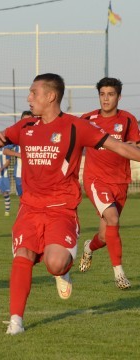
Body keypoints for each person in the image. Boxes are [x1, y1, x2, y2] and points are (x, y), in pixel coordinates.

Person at [0, 73, 140, 335]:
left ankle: (63, 271)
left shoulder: (75, 127)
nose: (29, 97)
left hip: (61, 211)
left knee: (54, 264)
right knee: (23, 255)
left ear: (51, 96)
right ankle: (16, 322)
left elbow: (121, 147)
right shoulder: (25, 127)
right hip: (30, 210)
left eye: (34, 93)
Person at [79, 77, 139, 290]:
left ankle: (89, 247)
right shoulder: (87, 119)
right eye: (102, 94)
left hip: (120, 181)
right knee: (113, 218)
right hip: (96, 180)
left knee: (105, 235)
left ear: (119, 97)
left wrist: (133, 145)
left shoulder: (128, 120)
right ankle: (119, 274)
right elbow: (74, 145)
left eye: (110, 94)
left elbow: (134, 146)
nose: (106, 98)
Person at [3, 111, 34, 196]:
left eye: (29, 120)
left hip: (34, 175)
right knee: (22, 199)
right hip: (19, 174)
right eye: (24, 121)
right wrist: (19, 155)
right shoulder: (18, 136)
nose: (27, 123)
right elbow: (5, 151)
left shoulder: (37, 135)